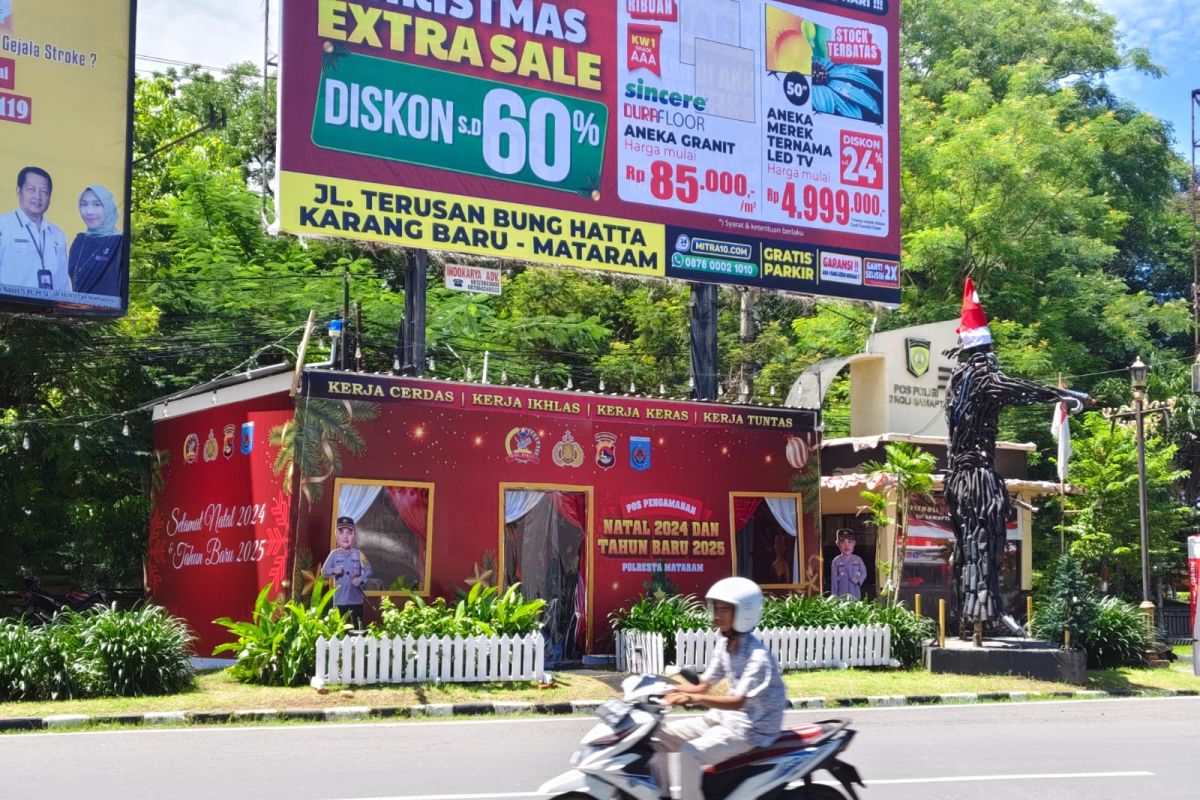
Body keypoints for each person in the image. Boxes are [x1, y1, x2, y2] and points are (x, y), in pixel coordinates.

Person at [653, 577, 787, 800]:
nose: (717, 615)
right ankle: (662, 795)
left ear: (744, 613)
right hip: (725, 719)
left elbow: (738, 702)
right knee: (657, 736)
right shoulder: (724, 643)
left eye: (724, 609)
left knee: (690, 753)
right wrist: (666, 689)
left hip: (751, 729)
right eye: (716, 608)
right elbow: (705, 684)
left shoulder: (757, 657)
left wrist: (691, 698)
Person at [0, 166, 69, 292]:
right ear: (18, 191)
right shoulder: (3, 226)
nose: (38, 196)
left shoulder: (57, 234)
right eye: (31, 189)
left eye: (44, 191)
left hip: (49, 310)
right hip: (9, 309)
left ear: (50, 198)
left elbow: (63, 283)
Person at [68, 184, 125, 296]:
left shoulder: (119, 241)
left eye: (97, 204)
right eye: (84, 204)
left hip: (106, 309)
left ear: (108, 207)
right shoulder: (80, 240)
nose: (89, 211)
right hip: (77, 308)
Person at [322, 516, 372, 627]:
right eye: (341, 532)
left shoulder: (359, 554)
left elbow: (368, 570)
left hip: (357, 600)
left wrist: (361, 579)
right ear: (336, 534)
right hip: (340, 600)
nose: (345, 536)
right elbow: (324, 571)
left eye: (349, 532)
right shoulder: (334, 554)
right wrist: (334, 570)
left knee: (358, 629)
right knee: (341, 630)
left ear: (354, 535)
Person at [830, 529, 867, 600]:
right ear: (837, 544)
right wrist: (834, 597)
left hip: (855, 594)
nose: (846, 545)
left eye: (849, 542)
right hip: (842, 596)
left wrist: (858, 580)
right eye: (842, 542)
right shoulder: (836, 561)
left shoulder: (857, 559)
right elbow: (834, 581)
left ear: (854, 543)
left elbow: (864, 572)